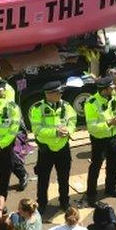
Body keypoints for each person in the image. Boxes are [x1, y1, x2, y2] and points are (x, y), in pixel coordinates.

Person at [28, 80, 76, 211]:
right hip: (46, 150)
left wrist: (69, 130)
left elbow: (72, 120)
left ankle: (64, 202)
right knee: (43, 179)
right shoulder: (38, 109)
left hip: (63, 148)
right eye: (58, 93)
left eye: (61, 92)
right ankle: (42, 203)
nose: (61, 95)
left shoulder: (66, 106)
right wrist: (55, 132)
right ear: (49, 94)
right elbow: (37, 130)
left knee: (64, 178)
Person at [84, 76, 116, 204]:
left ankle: (110, 188)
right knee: (96, 166)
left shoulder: (113, 98)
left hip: (113, 138)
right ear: (105, 90)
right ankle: (91, 194)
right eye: (111, 88)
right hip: (99, 140)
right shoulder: (91, 103)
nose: (113, 90)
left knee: (113, 165)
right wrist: (109, 123)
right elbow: (92, 128)